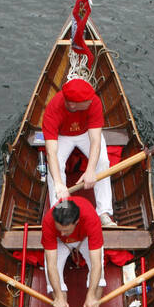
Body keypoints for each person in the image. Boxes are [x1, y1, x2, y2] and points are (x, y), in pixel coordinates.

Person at [42, 77, 117, 226]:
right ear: (72, 104)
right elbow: (51, 152)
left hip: (86, 133)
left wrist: (90, 171)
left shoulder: (94, 101)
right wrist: (58, 183)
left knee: (102, 161)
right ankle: (60, 209)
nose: (92, 100)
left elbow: (95, 141)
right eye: (87, 100)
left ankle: (104, 212)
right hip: (62, 136)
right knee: (54, 169)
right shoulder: (52, 111)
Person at [42, 196, 106, 307]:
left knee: (99, 277)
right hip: (58, 241)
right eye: (59, 229)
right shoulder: (49, 220)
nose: (62, 233)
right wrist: (59, 296)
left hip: (85, 237)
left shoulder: (91, 218)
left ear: (77, 222)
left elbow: (96, 265)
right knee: (54, 287)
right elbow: (51, 265)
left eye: (65, 230)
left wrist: (91, 295)